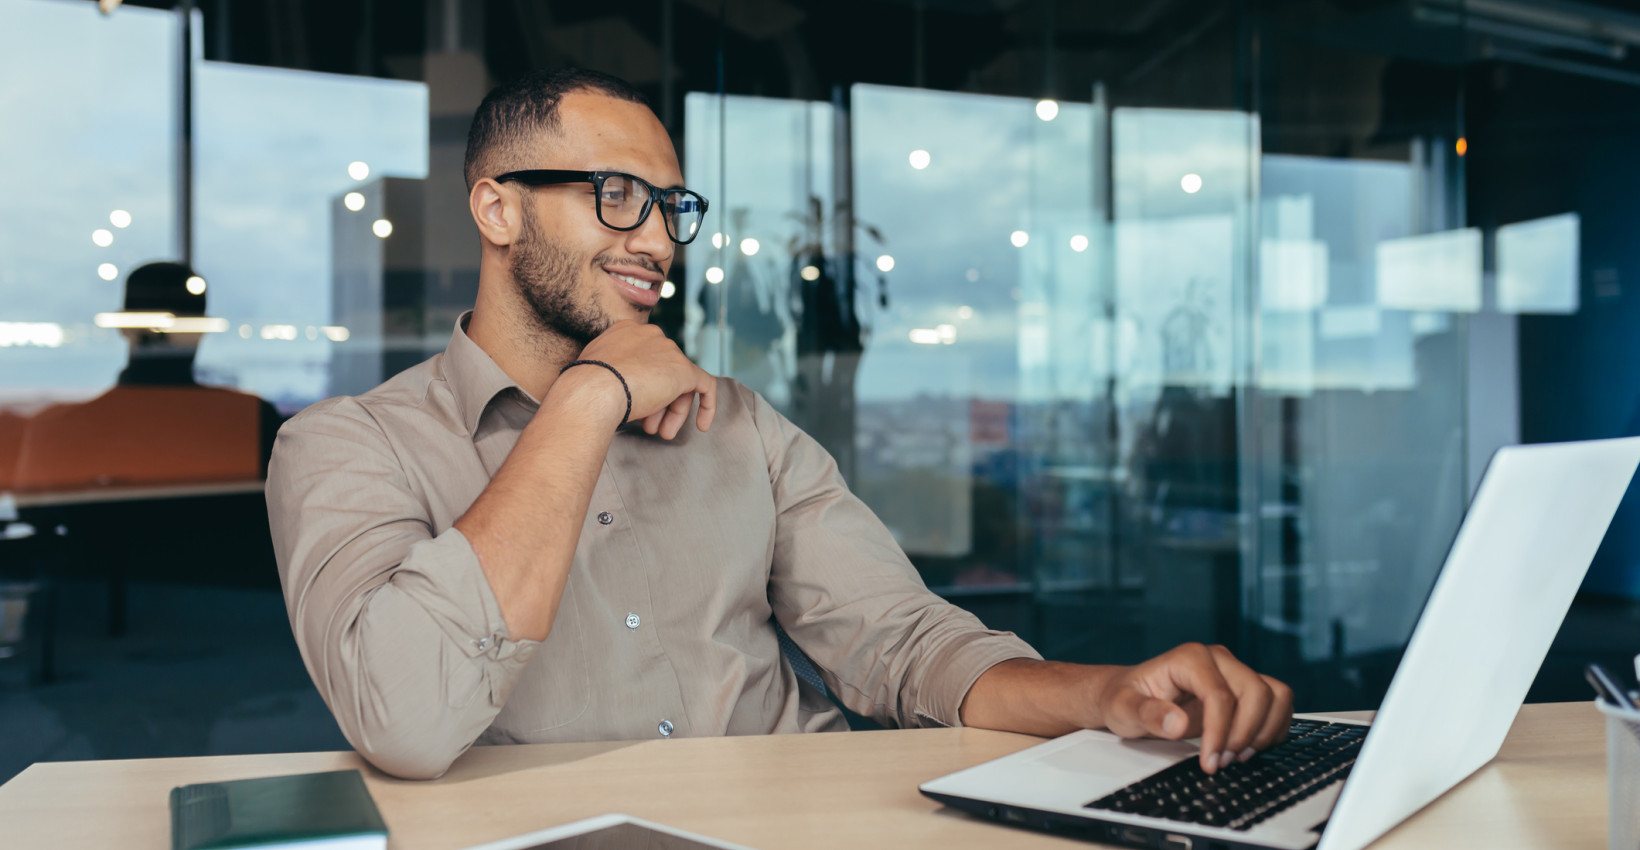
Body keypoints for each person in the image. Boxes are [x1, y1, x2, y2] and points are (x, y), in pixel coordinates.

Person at [266, 68, 1293, 781]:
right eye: (618, 197)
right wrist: (587, 398)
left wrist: (1104, 695)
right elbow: (402, 716)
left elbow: (899, 642)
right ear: (498, 210)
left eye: (673, 206)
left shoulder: (740, 427)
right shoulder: (346, 445)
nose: (659, 240)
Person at [14, 261, 281, 492]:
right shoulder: (251, 420)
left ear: (123, 327)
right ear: (201, 329)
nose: (162, 336)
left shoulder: (59, 429)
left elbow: (38, 518)